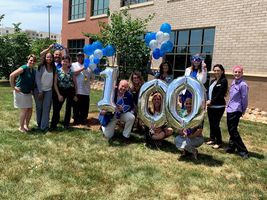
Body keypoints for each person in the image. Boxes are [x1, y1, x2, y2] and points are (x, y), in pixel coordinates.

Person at [225, 66, 249, 159]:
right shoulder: (233, 82)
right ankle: (231, 148)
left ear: (242, 73)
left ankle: (243, 151)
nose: (237, 74)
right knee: (232, 129)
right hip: (230, 109)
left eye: (239, 72)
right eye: (235, 72)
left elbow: (245, 98)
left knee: (233, 130)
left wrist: (243, 110)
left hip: (236, 109)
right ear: (233, 73)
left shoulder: (243, 85)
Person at [9, 54, 37, 132]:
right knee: (24, 110)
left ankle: (26, 126)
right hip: (21, 93)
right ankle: (21, 127)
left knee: (30, 110)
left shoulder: (33, 70)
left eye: (34, 61)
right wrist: (13, 87)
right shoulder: (24, 68)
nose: (32, 62)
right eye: (31, 60)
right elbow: (12, 76)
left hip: (28, 93)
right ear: (28, 60)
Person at [50, 55, 76, 130]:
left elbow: (75, 83)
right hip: (60, 90)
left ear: (69, 63)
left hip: (70, 90)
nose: (65, 63)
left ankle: (66, 124)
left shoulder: (71, 72)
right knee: (57, 108)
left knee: (68, 108)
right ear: (61, 62)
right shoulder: (57, 71)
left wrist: (75, 94)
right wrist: (58, 95)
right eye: (64, 61)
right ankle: (53, 125)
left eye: (67, 62)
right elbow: (55, 83)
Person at [206, 64, 228, 149]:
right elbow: (209, 92)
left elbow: (220, 94)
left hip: (218, 106)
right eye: (215, 70)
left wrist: (211, 101)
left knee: (215, 124)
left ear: (222, 71)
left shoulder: (223, 81)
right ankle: (212, 139)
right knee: (211, 123)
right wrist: (208, 100)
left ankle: (219, 142)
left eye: (218, 70)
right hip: (210, 106)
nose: (216, 72)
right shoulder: (212, 81)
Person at [34, 52, 56, 131]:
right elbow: (38, 79)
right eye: (47, 57)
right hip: (39, 90)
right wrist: (40, 91)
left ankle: (44, 126)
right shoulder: (41, 66)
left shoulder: (54, 67)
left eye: (50, 57)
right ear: (45, 58)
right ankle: (39, 124)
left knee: (46, 108)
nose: (49, 59)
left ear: (52, 58)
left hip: (48, 91)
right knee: (39, 108)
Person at [71, 52, 93, 125]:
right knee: (76, 106)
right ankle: (76, 119)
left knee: (85, 106)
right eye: (78, 56)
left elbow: (92, 78)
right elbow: (73, 73)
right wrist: (83, 68)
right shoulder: (73, 65)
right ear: (76, 57)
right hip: (77, 90)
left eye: (81, 56)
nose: (80, 58)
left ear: (83, 57)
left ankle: (83, 119)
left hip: (86, 90)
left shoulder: (89, 66)